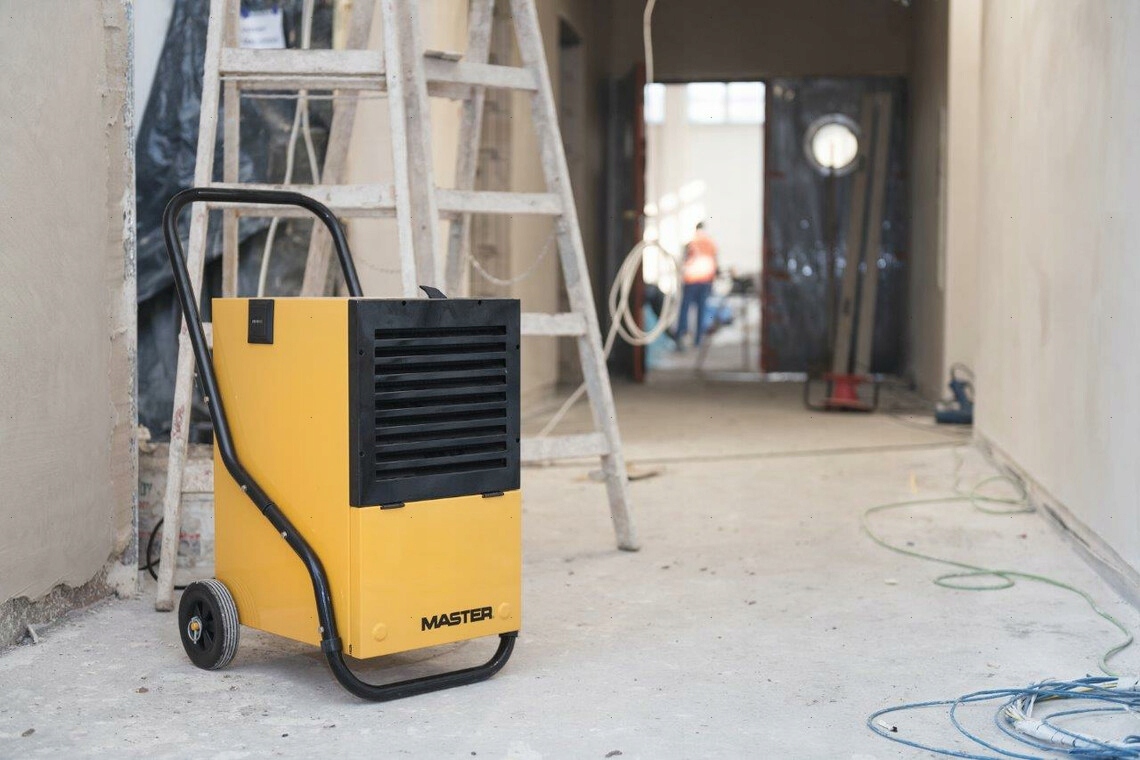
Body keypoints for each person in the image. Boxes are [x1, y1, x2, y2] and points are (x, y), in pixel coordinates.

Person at [673, 221, 719, 349]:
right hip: (705, 280)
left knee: (685, 309)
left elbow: (684, 261)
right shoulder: (711, 243)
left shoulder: (691, 243)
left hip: (691, 280)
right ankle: (697, 340)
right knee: (701, 310)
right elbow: (715, 261)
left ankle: (680, 336)